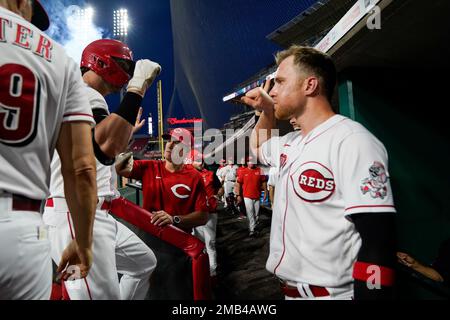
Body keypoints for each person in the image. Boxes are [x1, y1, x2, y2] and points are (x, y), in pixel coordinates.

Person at [243, 45, 396, 300]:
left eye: (280, 82)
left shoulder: (353, 140)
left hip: (333, 295)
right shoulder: (290, 142)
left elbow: (378, 241)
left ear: (310, 85)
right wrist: (267, 111)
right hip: (290, 293)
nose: (273, 91)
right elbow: (258, 146)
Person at [43, 39, 160, 300]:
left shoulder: (75, 94)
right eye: (122, 65)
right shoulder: (85, 92)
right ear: (100, 62)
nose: (127, 72)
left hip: (87, 214)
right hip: (76, 216)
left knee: (143, 263)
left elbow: (91, 152)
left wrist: (114, 164)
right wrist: (137, 88)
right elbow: (105, 144)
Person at [0, 0, 96, 299]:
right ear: (22, 2)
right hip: (22, 230)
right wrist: (83, 242)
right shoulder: (59, 58)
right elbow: (80, 168)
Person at [115, 127, 209, 299]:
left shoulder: (194, 176)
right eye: (168, 141)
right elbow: (118, 167)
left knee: (174, 293)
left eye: (176, 142)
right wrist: (127, 136)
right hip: (146, 241)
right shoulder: (150, 166)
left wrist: (174, 220)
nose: (169, 145)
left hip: (177, 248)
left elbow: (203, 216)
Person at [190, 151, 222, 280]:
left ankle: (212, 272)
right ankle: (199, 271)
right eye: (197, 160)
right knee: (198, 243)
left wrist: (217, 195)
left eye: (201, 160)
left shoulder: (210, 174)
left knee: (210, 243)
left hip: (210, 213)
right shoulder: (188, 175)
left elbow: (219, 188)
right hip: (194, 214)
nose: (200, 162)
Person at [234, 158, 267, 237]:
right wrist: (238, 195)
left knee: (257, 214)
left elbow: (263, 181)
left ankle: (254, 226)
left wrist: (266, 191)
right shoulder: (243, 171)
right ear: (247, 162)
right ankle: (252, 230)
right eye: (249, 161)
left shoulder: (260, 170)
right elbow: (238, 183)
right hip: (247, 196)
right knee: (250, 213)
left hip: (257, 196)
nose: (251, 163)